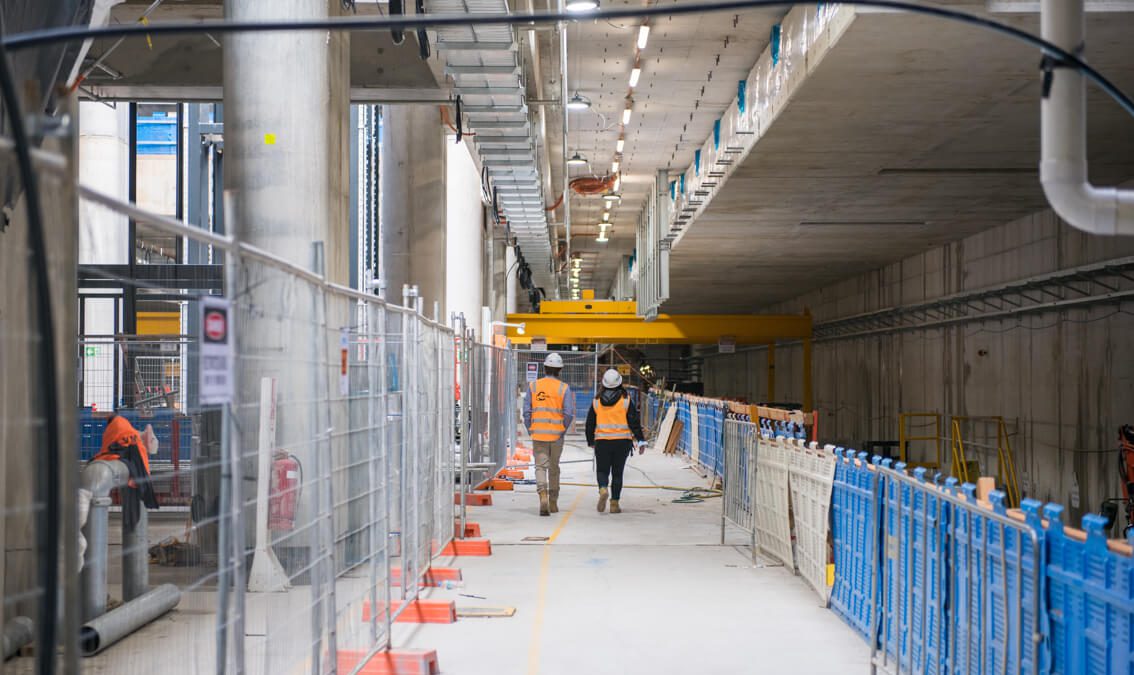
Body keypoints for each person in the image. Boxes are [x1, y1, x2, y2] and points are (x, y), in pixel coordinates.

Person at [585, 369, 646, 514]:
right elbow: (634, 421)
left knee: (602, 470)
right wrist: (641, 440)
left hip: (602, 441)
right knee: (617, 474)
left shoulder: (596, 401)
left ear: (603, 383)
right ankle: (614, 504)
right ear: (620, 382)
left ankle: (603, 489)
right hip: (622, 442)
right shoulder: (626, 399)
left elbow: (589, 423)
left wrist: (590, 441)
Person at [522, 353, 574, 516]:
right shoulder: (563, 388)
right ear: (560, 370)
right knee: (554, 467)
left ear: (544, 368)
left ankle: (542, 494)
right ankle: (553, 501)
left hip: (538, 434)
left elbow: (526, 411)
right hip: (556, 435)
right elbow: (569, 413)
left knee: (540, 467)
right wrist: (562, 429)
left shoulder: (534, 386)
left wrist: (531, 428)